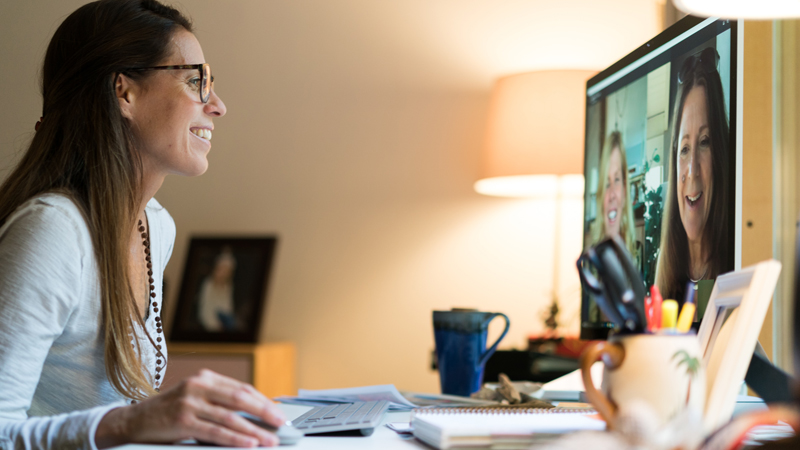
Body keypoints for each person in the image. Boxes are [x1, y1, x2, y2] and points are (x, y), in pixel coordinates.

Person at [0, 0, 285, 448]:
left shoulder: (157, 226)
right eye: (197, 81)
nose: (219, 106)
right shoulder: (52, 232)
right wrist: (128, 425)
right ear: (124, 93)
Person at [656, 46, 731, 304]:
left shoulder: (734, 267)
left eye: (705, 142)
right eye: (685, 148)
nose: (692, 169)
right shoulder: (666, 276)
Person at [592, 130, 637, 258]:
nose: (611, 195)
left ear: (624, 190)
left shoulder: (633, 261)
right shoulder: (590, 263)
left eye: (616, 180)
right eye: (607, 184)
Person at [197, 247, 238, 331]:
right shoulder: (208, 284)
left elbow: (228, 307)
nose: (223, 274)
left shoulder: (228, 287)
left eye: (227, 271)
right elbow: (205, 311)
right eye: (221, 270)